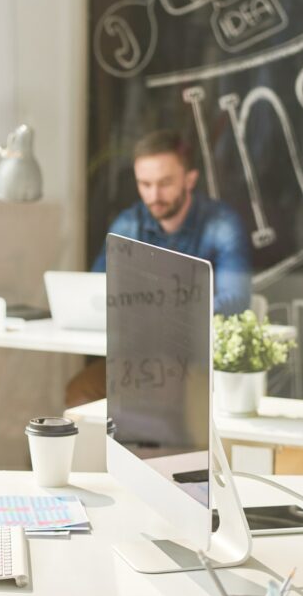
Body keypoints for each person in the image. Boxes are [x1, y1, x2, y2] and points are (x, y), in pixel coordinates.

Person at [66, 129, 252, 407]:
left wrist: (160, 312)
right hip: (138, 356)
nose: (154, 195)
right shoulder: (128, 225)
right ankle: (106, 452)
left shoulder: (222, 225)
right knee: (79, 393)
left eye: (165, 183)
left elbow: (236, 300)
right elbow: (97, 290)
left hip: (198, 360)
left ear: (190, 179)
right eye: (145, 184)